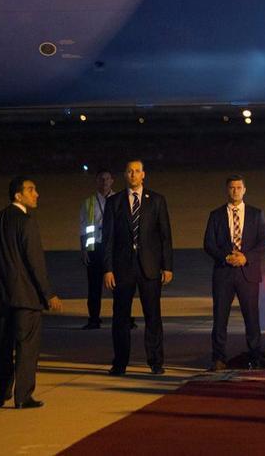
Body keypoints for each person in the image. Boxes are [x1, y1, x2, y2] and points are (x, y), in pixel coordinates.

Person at [0, 177, 63, 409]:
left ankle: (0, 393)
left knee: (2, 346)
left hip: (2, 296)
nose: (36, 194)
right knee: (27, 348)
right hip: (26, 297)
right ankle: (23, 396)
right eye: (31, 190)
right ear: (18, 196)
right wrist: (48, 293)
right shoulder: (26, 222)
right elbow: (34, 262)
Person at [103, 160, 174, 376]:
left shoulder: (157, 200)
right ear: (125, 175)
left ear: (144, 175)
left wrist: (167, 266)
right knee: (120, 317)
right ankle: (120, 362)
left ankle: (155, 361)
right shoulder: (114, 202)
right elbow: (107, 239)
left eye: (137, 171)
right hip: (122, 268)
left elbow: (165, 237)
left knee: (153, 316)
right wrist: (108, 269)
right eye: (129, 171)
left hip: (150, 268)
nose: (133, 175)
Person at [204, 174, 265, 371]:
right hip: (224, 273)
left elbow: (263, 241)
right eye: (232, 188)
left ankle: (255, 357)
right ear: (227, 190)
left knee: (251, 317)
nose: (235, 191)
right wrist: (226, 256)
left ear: (244, 189)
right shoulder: (215, 215)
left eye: (239, 187)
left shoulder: (256, 214)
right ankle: (219, 358)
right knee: (220, 318)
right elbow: (208, 243)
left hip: (247, 273)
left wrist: (245, 257)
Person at [79, 168, 115, 330]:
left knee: (119, 286)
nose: (105, 182)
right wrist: (84, 249)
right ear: (96, 181)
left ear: (112, 181)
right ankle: (94, 318)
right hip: (96, 248)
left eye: (107, 179)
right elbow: (84, 227)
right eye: (101, 179)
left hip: (114, 248)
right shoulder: (88, 203)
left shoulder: (119, 199)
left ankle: (123, 317)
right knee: (94, 287)